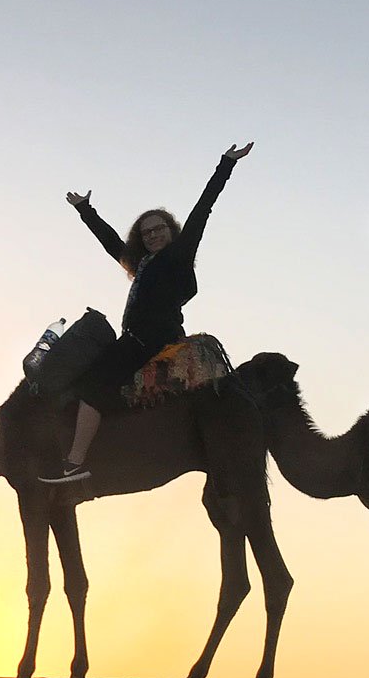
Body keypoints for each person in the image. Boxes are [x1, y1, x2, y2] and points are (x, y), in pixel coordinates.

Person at [40, 142, 253, 484]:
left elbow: (202, 211)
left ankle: (75, 463)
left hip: (151, 341)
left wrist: (225, 164)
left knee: (92, 386)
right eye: (147, 232)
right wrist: (85, 209)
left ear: (171, 231)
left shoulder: (177, 257)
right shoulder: (143, 265)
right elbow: (112, 244)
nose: (153, 235)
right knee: (91, 380)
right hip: (134, 340)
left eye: (159, 229)